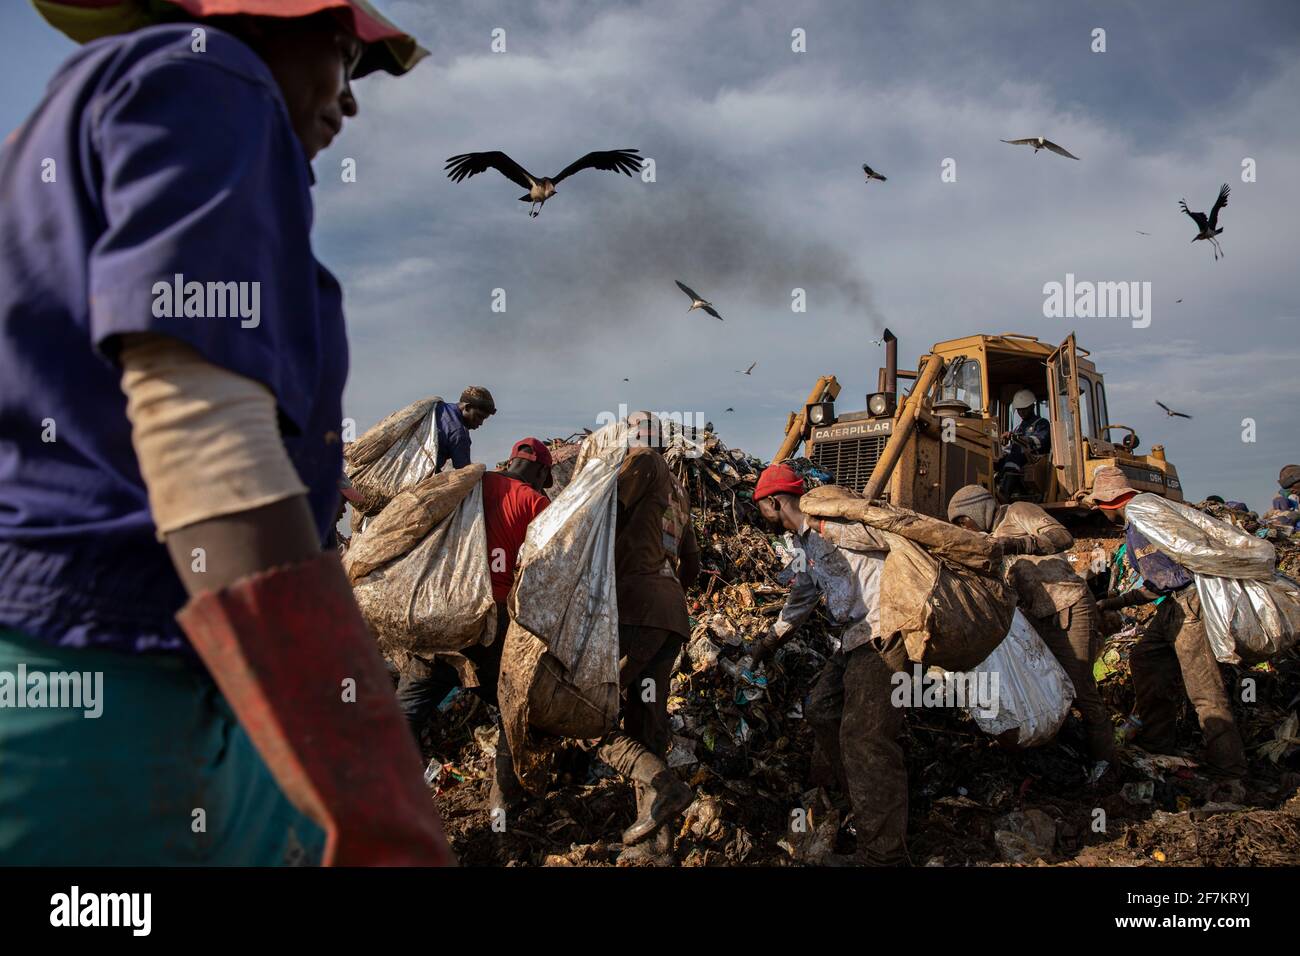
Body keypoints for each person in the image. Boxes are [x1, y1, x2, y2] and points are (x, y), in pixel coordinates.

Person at [0, 1, 450, 865]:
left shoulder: (76, 117)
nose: (350, 103)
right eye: (345, 60)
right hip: (102, 683)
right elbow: (203, 440)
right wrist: (370, 790)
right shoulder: (210, 77)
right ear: (262, 21)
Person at [748, 464, 909, 866]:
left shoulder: (836, 525)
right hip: (853, 640)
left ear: (773, 502)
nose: (760, 518)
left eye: (761, 509)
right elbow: (801, 599)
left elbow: (896, 542)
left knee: (865, 737)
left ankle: (883, 854)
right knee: (820, 707)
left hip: (884, 632)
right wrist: (767, 642)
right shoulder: (804, 547)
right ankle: (860, 798)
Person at [395, 437, 553, 813]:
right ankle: (502, 806)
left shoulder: (467, 484)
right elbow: (544, 573)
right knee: (514, 704)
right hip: (488, 620)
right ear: (542, 471)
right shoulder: (536, 502)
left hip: (440, 612)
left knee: (407, 709)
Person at [1091, 467, 1247, 783]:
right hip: (1175, 604)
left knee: (1204, 691)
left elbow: (1167, 580)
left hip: (1189, 605)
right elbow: (1159, 584)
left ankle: (1230, 769)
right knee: (1145, 657)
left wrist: (1113, 602)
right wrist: (1114, 602)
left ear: (1109, 504)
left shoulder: (1141, 526)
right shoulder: (1143, 518)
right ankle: (1157, 741)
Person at [593, 411, 700, 859]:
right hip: (670, 615)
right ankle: (654, 847)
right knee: (645, 723)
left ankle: (668, 790)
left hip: (638, 607)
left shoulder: (644, 463)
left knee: (588, 714)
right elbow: (691, 563)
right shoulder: (679, 490)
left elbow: (601, 512)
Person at [946, 485, 1114, 767]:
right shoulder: (989, 540)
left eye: (964, 521)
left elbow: (1062, 537)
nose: (967, 528)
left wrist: (1015, 545)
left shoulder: (1018, 511)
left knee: (1080, 689)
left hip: (1068, 604)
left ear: (977, 510)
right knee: (1052, 686)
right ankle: (1067, 761)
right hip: (1036, 617)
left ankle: (1106, 765)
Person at [995, 389, 1051, 499]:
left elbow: (1040, 441)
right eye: (1019, 410)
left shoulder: (1042, 424)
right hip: (1019, 460)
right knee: (999, 457)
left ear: (1032, 406)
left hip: (1035, 459)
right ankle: (996, 484)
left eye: (1024, 409)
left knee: (1016, 452)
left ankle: (1004, 493)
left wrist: (1020, 439)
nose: (1021, 412)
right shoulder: (1018, 428)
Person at [435, 386, 497, 472]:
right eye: (479, 416)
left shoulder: (438, 407)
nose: (480, 423)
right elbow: (465, 473)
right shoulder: (459, 433)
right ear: (467, 407)